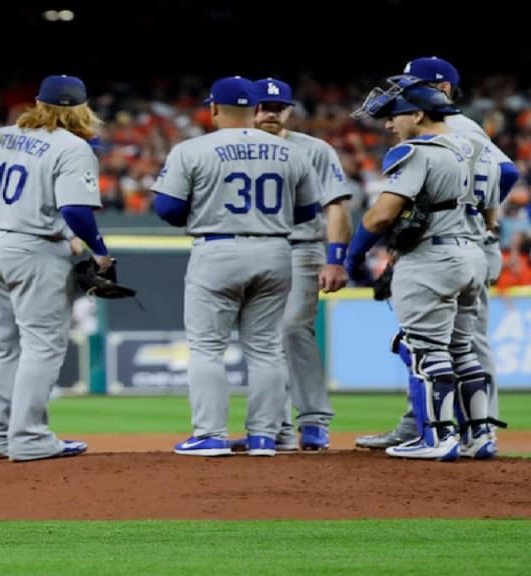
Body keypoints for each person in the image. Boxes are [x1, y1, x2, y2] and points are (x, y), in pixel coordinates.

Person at [0, 74, 105, 462]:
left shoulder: (0, 136)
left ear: (38, 103)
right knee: (42, 345)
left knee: (2, 346)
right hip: (35, 249)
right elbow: (77, 211)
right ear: (82, 109)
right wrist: (100, 251)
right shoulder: (73, 147)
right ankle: (29, 437)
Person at [355, 57, 518, 454]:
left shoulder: (427, 143)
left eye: (397, 112)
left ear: (426, 101)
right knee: (463, 348)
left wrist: (352, 257)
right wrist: (484, 226)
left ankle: (438, 437)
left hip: (435, 254)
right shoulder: (475, 141)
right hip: (473, 251)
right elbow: (502, 182)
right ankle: (480, 435)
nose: (390, 122)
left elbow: (380, 215)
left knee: (428, 350)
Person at [152, 76, 320, 457]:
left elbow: (168, 209)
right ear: (256, 109)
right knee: (265, 348)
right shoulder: (290, 151)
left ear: (213, 108)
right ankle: (264, 436)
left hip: (218, 248)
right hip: (276, 250)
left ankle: (210, 434)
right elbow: (308, 210)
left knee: (207, 347)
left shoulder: (192, 149)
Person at [251, 77, 352, 451]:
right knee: (261, 340)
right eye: (261, 107)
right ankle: (272, 426)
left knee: (293, 330)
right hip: (250, 249)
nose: (269, 114)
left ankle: (313, 420)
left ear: (290, 111)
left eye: (277, 108)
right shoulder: (231, 150)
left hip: (301, 247)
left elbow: (337, 206)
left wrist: (335, 259)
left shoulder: (315, 150)